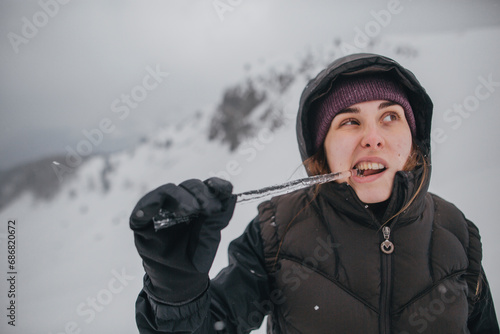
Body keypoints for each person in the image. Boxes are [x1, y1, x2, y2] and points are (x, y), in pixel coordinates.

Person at [130, 53, 499, 333]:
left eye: (390, 117)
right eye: (350, 122)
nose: (373, 136)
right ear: (322, 154)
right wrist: (177, 293)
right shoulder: (275, 232)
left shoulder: (457, 234)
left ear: (413, 140)